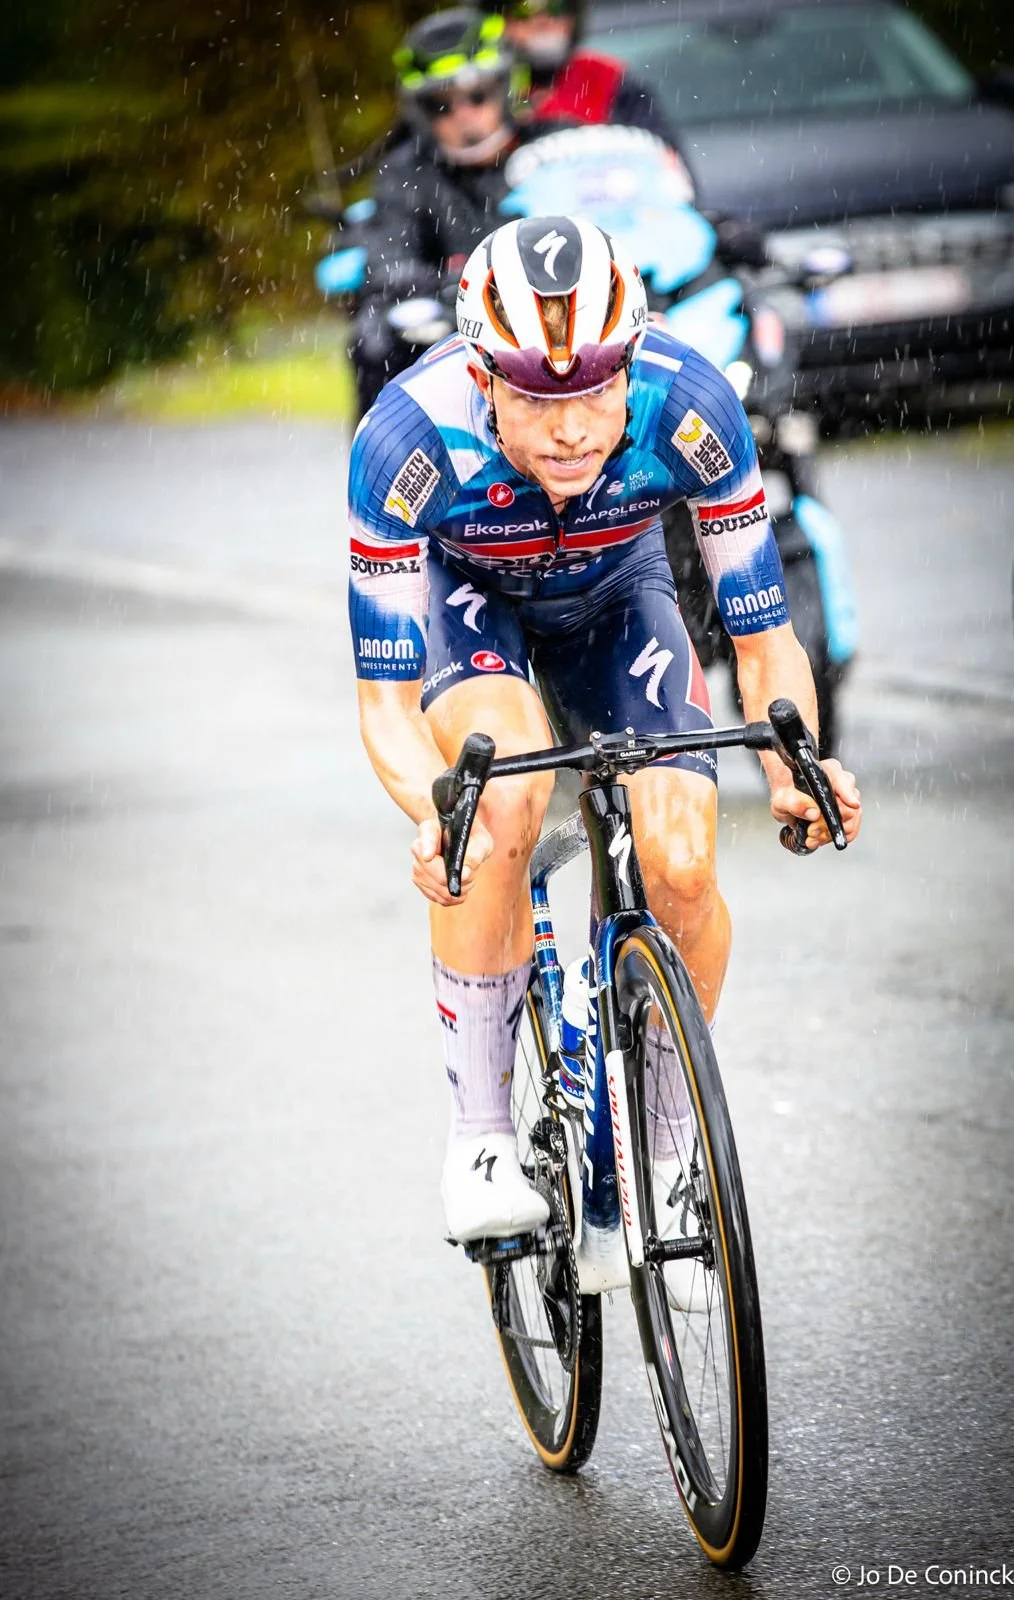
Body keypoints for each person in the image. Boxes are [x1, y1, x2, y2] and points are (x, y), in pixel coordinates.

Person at [347, 214, 862, 1245]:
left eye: (595, 389)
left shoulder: (691, 403)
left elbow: (763, 641)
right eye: (540, 398)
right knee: (500, 804)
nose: (574, 428)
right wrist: (434, 815)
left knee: (681, 861)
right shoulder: (407, 442)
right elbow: (386, 704)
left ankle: (663, 1143)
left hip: (620, 595)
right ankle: (482, 1136)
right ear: (484, 378)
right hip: (470, 600)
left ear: (630, 364)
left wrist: (797, 762)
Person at [352, 7, 520, 415]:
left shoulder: (557, 143)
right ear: (421, 113)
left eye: (477, 95)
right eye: (441, 105)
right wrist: (443, 284)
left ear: (504, 88)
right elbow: (387, 253)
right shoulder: (406, 171)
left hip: (571, 310)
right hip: (461, 327)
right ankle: (393, 447)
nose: (464, 115)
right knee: (373, 335)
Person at [480, 0, 681, 149]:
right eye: (524, 10)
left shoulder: (608, 78)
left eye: (556, 7)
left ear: (573, 17)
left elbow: (664, 161)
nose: (542, 21)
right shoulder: (482, 91)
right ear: (503, 21)